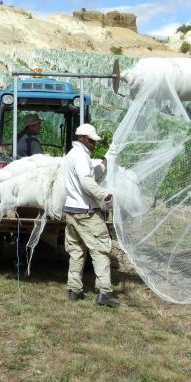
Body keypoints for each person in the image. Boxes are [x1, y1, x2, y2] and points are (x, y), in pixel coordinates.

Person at [63, 123, 119, 308]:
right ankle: (104, 292)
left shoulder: (72, 155)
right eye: (92, 140)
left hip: (71, 211)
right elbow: (86, 181)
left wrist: (102, 164)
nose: (95, 143)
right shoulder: (80, 156)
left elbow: (88, 175)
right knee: (101, 249)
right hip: (86, 213)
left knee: (76, 251)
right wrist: (104, 195)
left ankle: (75, 290)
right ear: (84, 139)